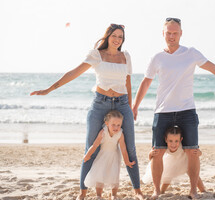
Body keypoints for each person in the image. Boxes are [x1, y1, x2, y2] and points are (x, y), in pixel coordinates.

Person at [132, 17, 215, 199]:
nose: (172, 36)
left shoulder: (191, 53)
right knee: (158, 151)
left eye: (175, 33)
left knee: (192, 151)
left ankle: (193, 190)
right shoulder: (157, 58)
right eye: (168, 33)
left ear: (181, 33)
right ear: (163, 34)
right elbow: (145, 83)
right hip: (162, 111)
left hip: (187, 111)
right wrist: (135, 106)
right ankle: (157, 191)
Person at [30, 24, 144, 200]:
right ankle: (82, 192)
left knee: (130, 149)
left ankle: (137, 190)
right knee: (90, 147)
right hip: (100, 104)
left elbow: (128, 83)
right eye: (114, 35)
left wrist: (130, 106)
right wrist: (49, 89)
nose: (117, 39)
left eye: (121, 37)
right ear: (107, 37)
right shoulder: (96, 55)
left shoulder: (125, 56)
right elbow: (73, 73)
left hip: (122, 104)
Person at [84, 110, 135, 200]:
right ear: (107, 123)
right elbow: (95, 145)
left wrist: (127, 161)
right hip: (103, 155)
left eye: (118, 125)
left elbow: (123, 149)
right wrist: (87, 155)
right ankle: (99, 195)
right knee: (100, 173)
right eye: (113, 125)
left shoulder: (120, 134)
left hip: (115, 156)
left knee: (114, 174)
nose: (116, 127)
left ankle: (114, 194)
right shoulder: (103, 132)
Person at [142, 125, 206, 194]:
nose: (173, 144)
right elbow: (151, 159)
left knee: (194, 175)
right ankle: (162, 191)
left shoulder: (183, 145)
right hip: (172, 161)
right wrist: (151, 153)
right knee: (168, 176)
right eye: (170, 141)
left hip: (185, 161)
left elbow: (198, 153)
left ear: (181, 140)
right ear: (166, 139)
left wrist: (200, 153)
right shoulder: (163, 146)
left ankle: (203, 190)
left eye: (176, 141)